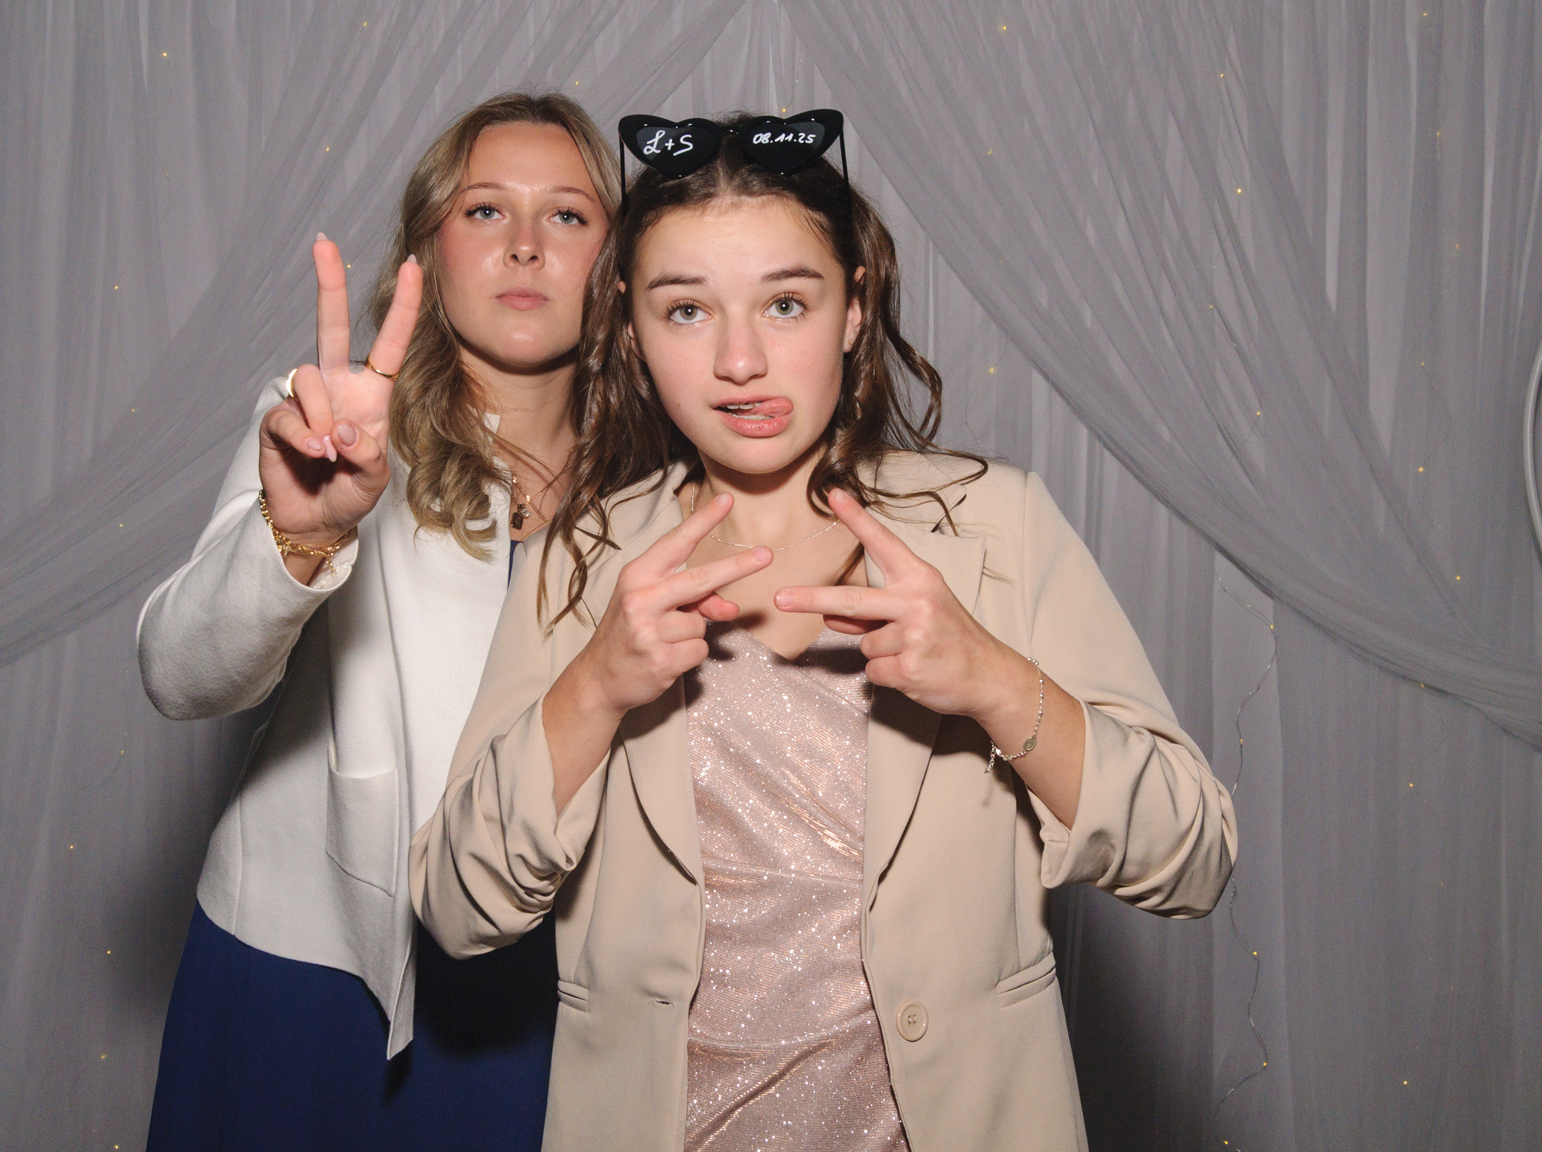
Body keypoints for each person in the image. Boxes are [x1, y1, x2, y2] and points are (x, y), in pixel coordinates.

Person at [411, 111, 1237, 1152]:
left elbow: (1189, 856)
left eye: (786, 304)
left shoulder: (998, 526)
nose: (740, 360)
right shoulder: (582, 559)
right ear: (630, 332)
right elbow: (459, 910)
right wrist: (594, 687)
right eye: (686, 311)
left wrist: (992, 680)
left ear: (855, 308)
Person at [136, 92, 617, 1150]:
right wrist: (300, 533)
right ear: (427, 253)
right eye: (485, 210)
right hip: (318, 972)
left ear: (620, 264)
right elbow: (179, 675)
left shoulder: (669, 481)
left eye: (568, 214)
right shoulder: (333, 430)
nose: (526, 244)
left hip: (566, 983)